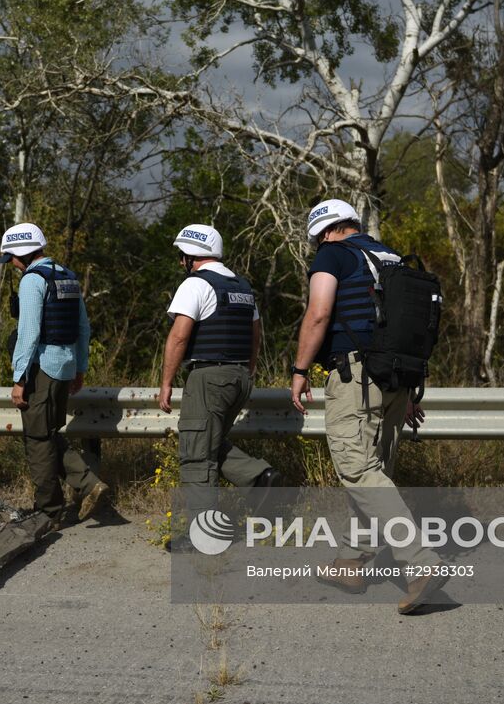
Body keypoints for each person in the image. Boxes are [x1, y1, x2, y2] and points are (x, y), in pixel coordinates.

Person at [287, 200, 444, 612]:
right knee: (373, 472)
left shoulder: (332, 253)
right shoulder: (386, 254)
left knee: (357, 468)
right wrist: (407, 389)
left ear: (323, 232)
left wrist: (299, 368)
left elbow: (319, 313)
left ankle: (420, 561)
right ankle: (351, 562)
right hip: (397, 378)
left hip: (356, 375)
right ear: (353, 224)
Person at [157, 224, 280, 552]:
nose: (181, 262)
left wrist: (166, 382)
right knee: (209, 444)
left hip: (209, 376)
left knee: (196, 454)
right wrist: (248, 373)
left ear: (191, 256)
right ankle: (258, 477)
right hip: (239, 377)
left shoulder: (196, 284)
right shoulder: (241, 286)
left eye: (182, 255)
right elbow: (256, 334)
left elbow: (179, 336)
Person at [0, 222, 111, 523]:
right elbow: (83, 328)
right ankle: (89, 485)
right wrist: (80, 368)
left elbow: (29, 334)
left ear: (21, 254)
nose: (10, 264)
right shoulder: (67, 277)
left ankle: (48, 512)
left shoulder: (32, 281)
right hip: (65, 367)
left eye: (11, 257)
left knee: (37, 439)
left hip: (42, 368)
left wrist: (18, 380)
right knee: (49, 434)